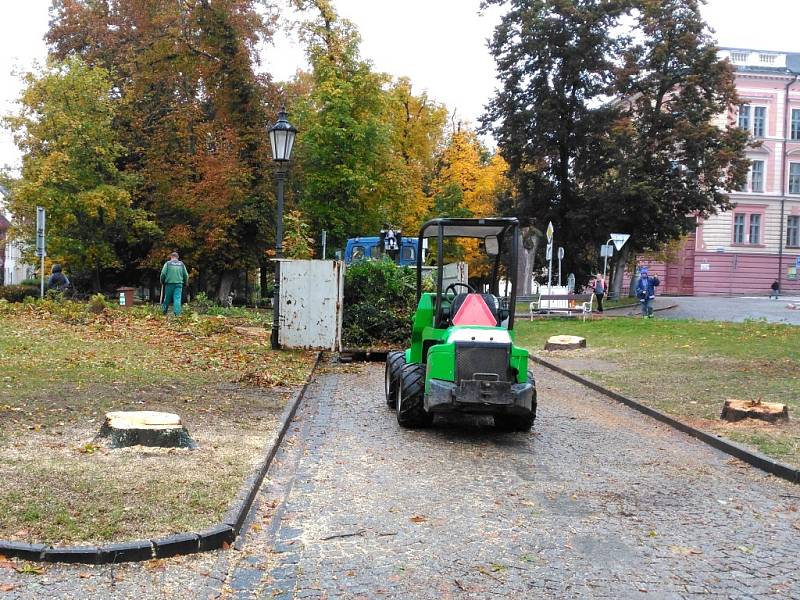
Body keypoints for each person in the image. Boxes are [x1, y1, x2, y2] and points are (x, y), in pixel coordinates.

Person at [160, 251, 189, 316]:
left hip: (169, 284)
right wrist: (185, 282)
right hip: (179, 284)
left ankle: (164, 311)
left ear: (171, 257)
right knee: (177, 299)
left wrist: (162, 281)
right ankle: (177, 314)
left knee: (167, 298)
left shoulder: (167, 263)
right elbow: (186, 275)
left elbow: (163, 274)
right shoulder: (181, 264)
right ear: (177, 257)